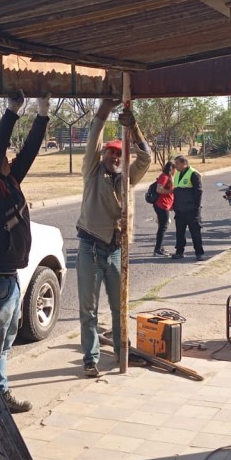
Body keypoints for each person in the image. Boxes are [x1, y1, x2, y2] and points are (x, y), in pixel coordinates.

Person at [0, 90, 50, 415]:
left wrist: (43, 114)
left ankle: (0, 395)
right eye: (2, 155)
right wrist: (10, 112)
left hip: (9, 277)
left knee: (5, 343)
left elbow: (30, 152)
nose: (8, 156)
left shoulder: (10, 180)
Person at [75, 99, 151, 377]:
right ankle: (90, 358)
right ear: (104, 156)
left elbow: (147, 157)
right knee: (89, 310)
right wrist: (104, 111)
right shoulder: (92, 173)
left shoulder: (126, 179)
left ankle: (122, 352)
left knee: (120, 307)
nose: (115, 158)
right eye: (111, 154)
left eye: (120, 155)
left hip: (116, 250)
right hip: (90, 247)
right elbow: (93, 140)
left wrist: (133, 128)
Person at [170, 155, 205, 261]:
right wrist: (174, 206)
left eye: (177, 164)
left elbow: (198, 192)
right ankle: (179, 252)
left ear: (183, 163)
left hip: (191, 209)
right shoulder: (177, 175)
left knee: (195, 232)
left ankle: (199, 253)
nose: (175, 166)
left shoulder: (194, 174)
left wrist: (196, 207)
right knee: (179, 232)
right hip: (180, 210)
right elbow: (175, 191)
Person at [151, 160, 176, 256]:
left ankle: (160, 247)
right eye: (175, 169)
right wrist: (171, 191)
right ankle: (157, 250)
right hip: (161, 205)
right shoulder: (164, 176)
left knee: (162, 227)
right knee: (163, 227)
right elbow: (159, 189)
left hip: (165, 205)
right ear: (172, 169)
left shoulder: (169, 177)